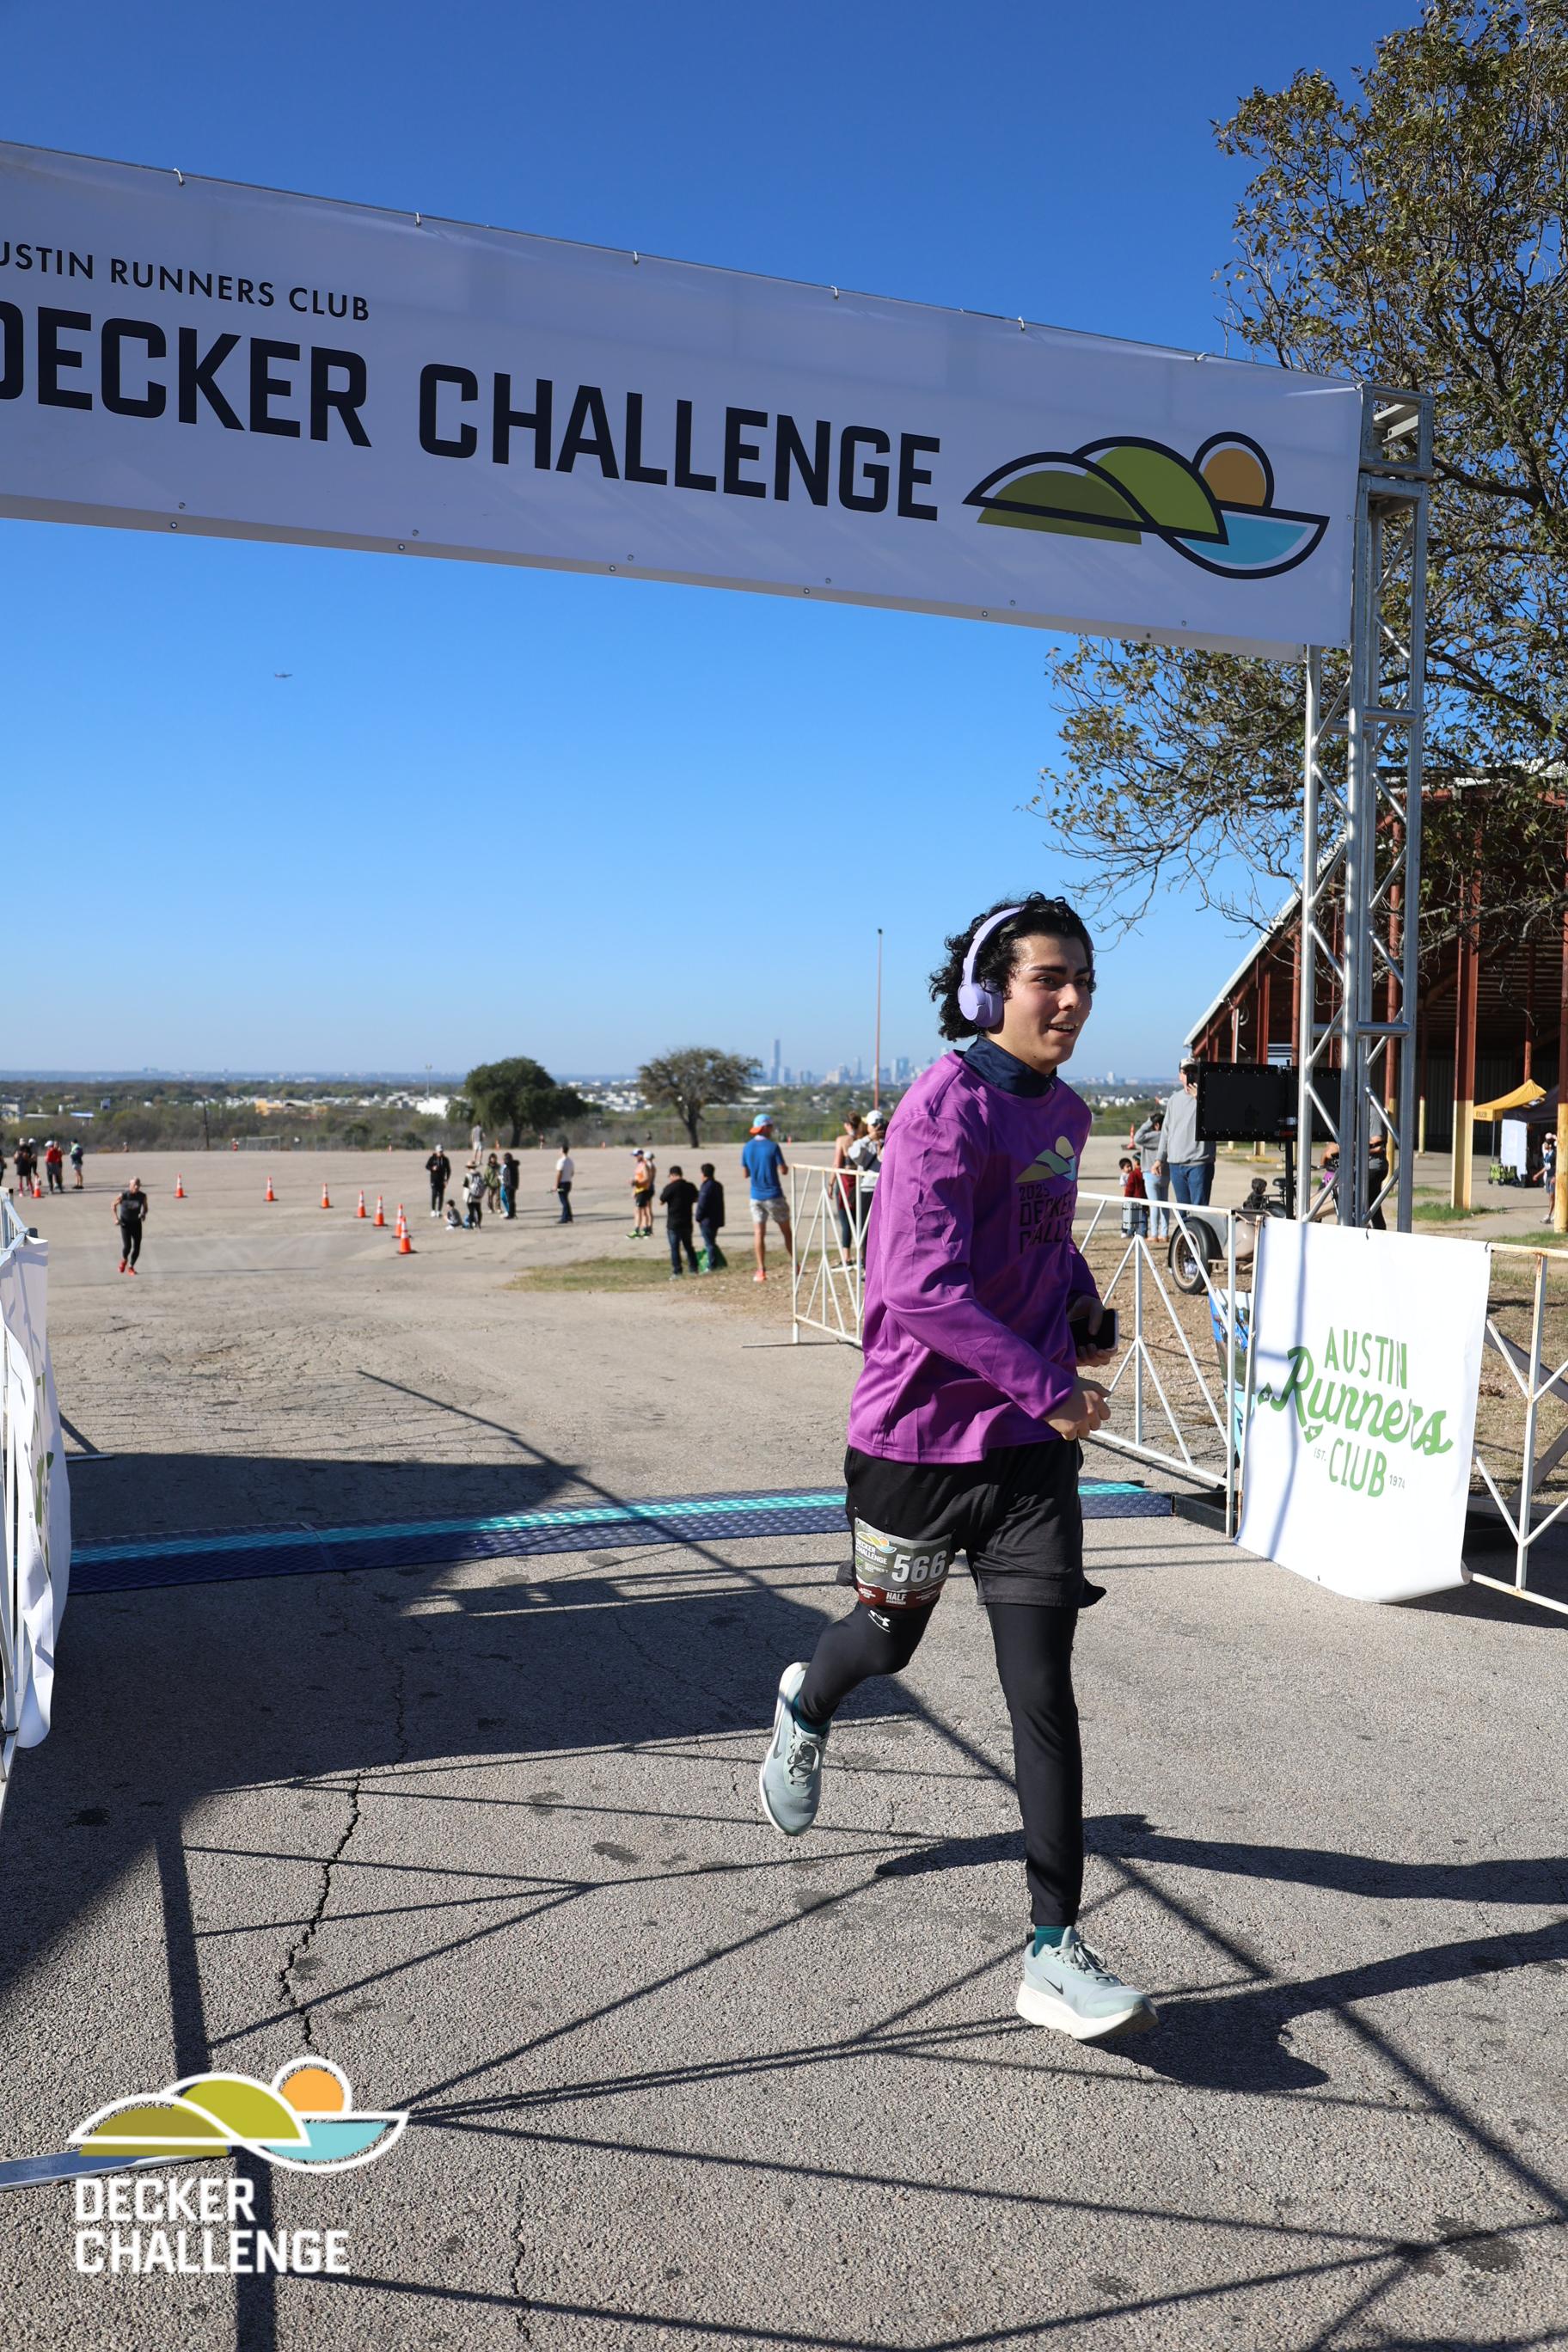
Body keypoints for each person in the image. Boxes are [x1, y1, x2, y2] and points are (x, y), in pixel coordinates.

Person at [756, 891, 1155, 2044]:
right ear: (990, 993)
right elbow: (918, 1288)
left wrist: (1079, 1307)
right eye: (1048, 978)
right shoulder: (943, 1108)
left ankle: (1053, 1949)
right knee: (886, 1643)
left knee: (1042, 1688)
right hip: (917, 1444)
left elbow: (1042, 1236)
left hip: (1027, 1456)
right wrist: (1050, 1386)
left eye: (1084, 980)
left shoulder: (1066, 1112)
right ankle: (806, 1701)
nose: (1072, 1000)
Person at [1155, 1063, 1215, 1210]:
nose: (1190, 1074)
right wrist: (1159, 1159)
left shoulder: (1209, 1096)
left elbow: (1216, 1120)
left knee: (1199, 1211)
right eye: (1186, 1071)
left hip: (1199, 1162)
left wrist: (1200, 1099)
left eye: (1194, 1071)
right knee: (1182, 1212)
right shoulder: (1173, 1100)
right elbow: (1166, 1131)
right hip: (1176, 1164)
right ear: (1180, 1076)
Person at [741, 1114, 792, 1283]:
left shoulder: (747, 1147)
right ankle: (795, 1263)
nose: (772, 1129)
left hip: (755, 1196)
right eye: (770, 1126)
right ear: (765, 1128)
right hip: (774, 1195)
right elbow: (783, 1170)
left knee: (758, 1233)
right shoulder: (773, 1146)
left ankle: (761, 1270)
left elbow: (745, 1173)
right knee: (786, 1231)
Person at [831, 1113, 865, 1254]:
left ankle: (847, 1256)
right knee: (860, 1221)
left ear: (848, 1125)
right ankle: (862, 1254)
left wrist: (830, 1183)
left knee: (846, 1221)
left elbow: (837, 1163)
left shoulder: (842, 1140)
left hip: (845, 1181)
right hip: (861, 1182)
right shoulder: (864, 1138)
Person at [1131, 1106, 1167, 1238]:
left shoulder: (1151, 1136)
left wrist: (1148, 1122)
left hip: (1150, 1172)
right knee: (1165, 1204)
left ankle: (1154, 1234)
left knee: (1154, 1205)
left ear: (1156, 1125)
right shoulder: (1167, 1136)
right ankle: (1164, 1233)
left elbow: (1137, 1137)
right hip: (1166, 1173)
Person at [660, 1164, 701, 1277]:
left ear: (673, 1175)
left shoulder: (670, 1187)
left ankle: (677, 1271)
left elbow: (661, 1201)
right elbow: (697, 1198)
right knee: (689, 1246)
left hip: (673, 1223)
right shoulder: (690, 1186)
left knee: (675, 1248)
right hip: (687, 1222)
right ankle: (694, 1269)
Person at [113, 1176, 150, 1274]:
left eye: (138, 1185)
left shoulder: (142, 1196)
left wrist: (143, 1214)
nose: (137, 1187)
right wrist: (116, 1218)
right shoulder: (123, 1195)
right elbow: (113, 1205)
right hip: (125, 1224)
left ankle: (131, 1266)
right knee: (127, 1246)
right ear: (130, 1185)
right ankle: (124, 1259)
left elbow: (145, 1208)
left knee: (137, 1247)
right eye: (135, 1185)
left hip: (136, 1224)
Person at [695, 1163, 727, 1271]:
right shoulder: (718, 1185)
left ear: (703, 1174)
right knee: (711, 1242)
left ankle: (712, 1265)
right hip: (716, 1218)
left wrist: (698, 1217)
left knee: (709, 1244)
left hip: (707, 1220)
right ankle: (715, 1262)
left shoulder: (706, 1186)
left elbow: (702, 1203)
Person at [1118, 1155, 1148, 1237]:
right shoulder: (1144, 1173)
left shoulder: (1134, 1174)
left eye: (1131, 1165)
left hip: (1134, 1198)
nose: (1130, 1168)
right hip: (1140, 1199)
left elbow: (1129, 1189)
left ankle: (1132, 1232)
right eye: (1127, 1167)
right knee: (1140, 1217)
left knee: (1133, 1217)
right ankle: (1140, 1232)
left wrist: (1127, 1197)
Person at [629, 1151, 654, 1238]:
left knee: (642, 1210)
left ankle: (642, 1230)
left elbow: (647, 1178)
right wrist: (635, 1188)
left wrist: (637, 1183)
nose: (634, 1157)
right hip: (640, 1190)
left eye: (636, 1156)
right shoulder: (640, 1165)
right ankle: (645, 1229)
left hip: (644, 1190)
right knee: (642, 1210)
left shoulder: (645, 1165)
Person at [426, 1146, 450, 1219]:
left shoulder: (445, 1159)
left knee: (441, 1196)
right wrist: (432, 1168)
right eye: (439, 1151)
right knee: (434, 1194)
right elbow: (427, 1166)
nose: (440, 1153)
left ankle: (439, 1211)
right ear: (436, 1151)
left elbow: (448, 1170)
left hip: (442, 1180)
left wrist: (447, 1180)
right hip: (434, 1180)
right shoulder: (432, 1158)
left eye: (441, 1151)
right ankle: (433, 1210)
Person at [554, 1141, 575, 1223]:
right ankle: (569, 1216)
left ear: (562, 1150)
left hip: (562, 1183)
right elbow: (572, 1173)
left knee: (563, 1200)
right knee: (566, 1199)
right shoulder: (570, 1161)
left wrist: (556, 1185)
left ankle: (565, 1218)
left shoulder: (561, 1161)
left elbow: (559, 1174)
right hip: (568, 1183)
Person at [463, 1162, 486, 1228]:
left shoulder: (468, 1175)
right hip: (478, 1195)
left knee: (471, 1211)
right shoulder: (479, 1174)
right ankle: (479, 1223)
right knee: (478, 1210)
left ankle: (471, 1224)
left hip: (470, 1196)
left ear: (468, 1167)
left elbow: (465, 1185)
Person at [1543, 1130, 1559, 1223]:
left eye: (1545, 1143)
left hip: (1553, 1177)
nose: (1544, 1145)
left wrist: (1555, 1176)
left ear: (1550, 1145)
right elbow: (1546, 1167)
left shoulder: (1554, 1154)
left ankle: (1550, 1215)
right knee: (1551, 1197)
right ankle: (1553, 1214)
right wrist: (1538, 1174)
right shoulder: (1546, 1155)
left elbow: (1558, 1166)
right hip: (1548, 1177)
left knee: (1553, 1196)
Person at [500, 1152, 519, 1219]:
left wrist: (506, 1185)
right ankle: (512, 1213)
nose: (503, 1160)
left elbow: (509, 1177)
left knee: (510, 1200)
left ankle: (511, 1214)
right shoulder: (512, 1165)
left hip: (509, 1186)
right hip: (511, 1185)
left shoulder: (509, 1166)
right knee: (511, 1200)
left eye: (504, 1159)